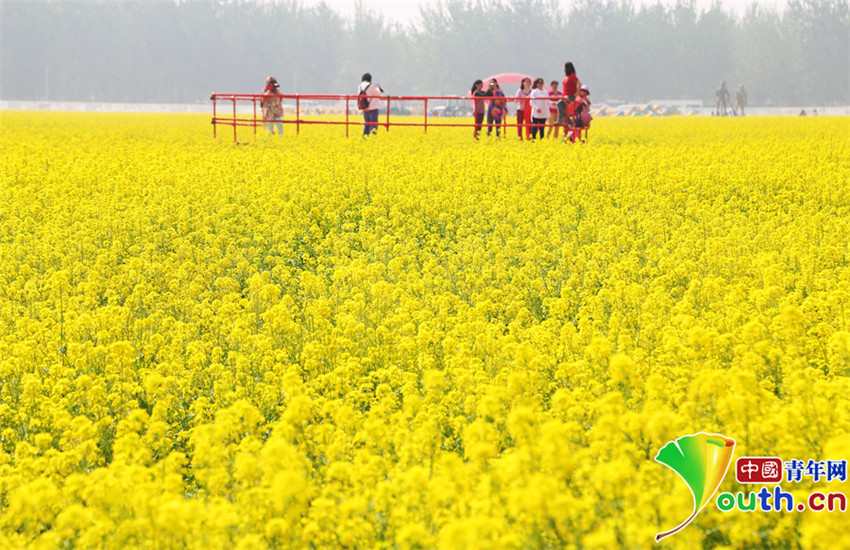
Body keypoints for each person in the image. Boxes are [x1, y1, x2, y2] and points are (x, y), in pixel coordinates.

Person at [358, 72, 384, 137]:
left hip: (364, 107)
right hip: (373, 107)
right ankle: (373, 137)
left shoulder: (360, 86)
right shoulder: (371, 86)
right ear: (370, 79)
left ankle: (365, 137)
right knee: (374, 123)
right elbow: (378, 93)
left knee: (367, 123)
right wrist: (378, 88)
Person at [561, 62, 581, 129]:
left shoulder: (572, 76)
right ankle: (570, 122)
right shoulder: (566, 76)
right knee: (562, 109)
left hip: (570, 96)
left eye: (564, 67)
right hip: (564, 96)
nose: (563, 69)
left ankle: (569, 122)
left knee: (562, 108)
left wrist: (577, 93)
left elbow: (579, 83)